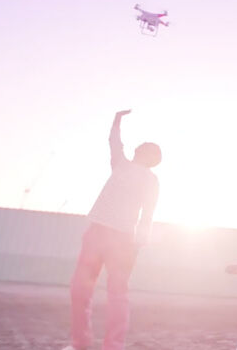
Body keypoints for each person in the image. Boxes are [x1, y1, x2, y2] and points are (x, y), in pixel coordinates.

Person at [64, 109, 161, 350]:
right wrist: (117, 121)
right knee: (79, 290)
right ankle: (80, 343)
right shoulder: (120, 164)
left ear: (151, 157)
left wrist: (138, 244)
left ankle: (114, 346)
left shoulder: (151, 180)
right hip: (97, 232)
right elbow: (114, 142)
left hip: (124, 241)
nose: (139, 147)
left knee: (117, 294)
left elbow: (148, 215)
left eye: (145, 147)